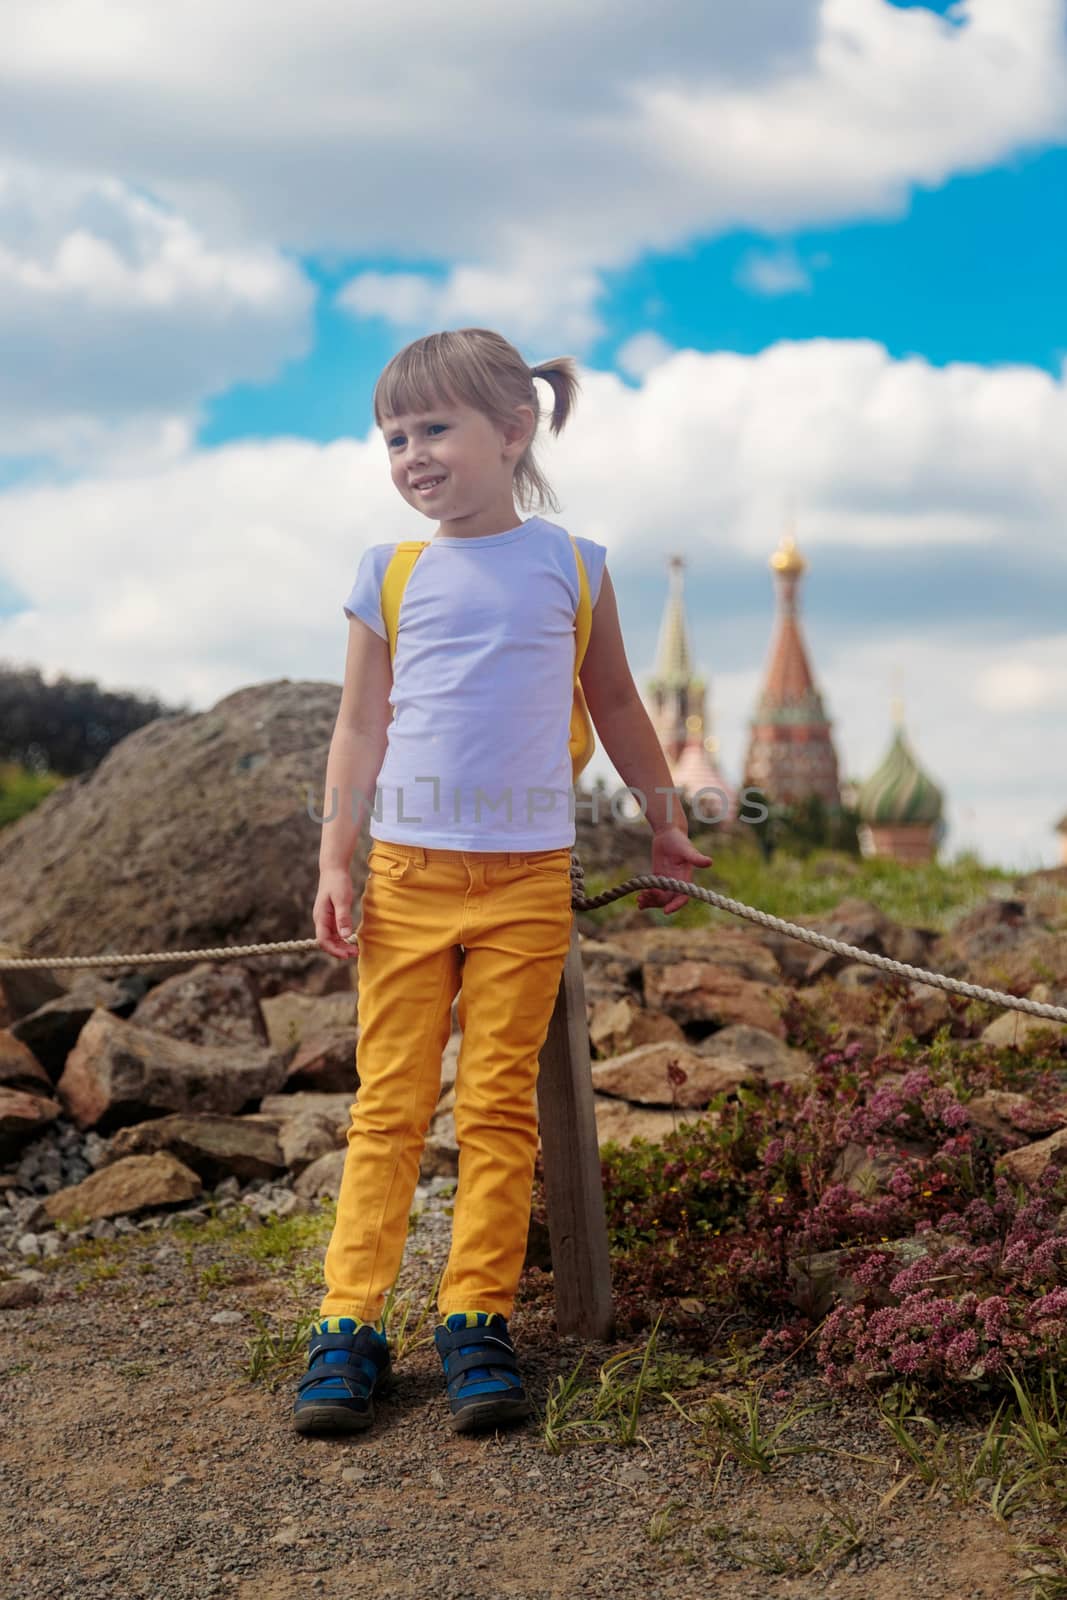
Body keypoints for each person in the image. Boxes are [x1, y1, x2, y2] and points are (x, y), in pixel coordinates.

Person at [294, 327, 711, 1439]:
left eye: (435, 428)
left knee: (494, 1107)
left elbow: (619, 706)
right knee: (387, 1105)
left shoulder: (573, 566)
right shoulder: (389, 573)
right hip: (407, 875)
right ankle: (347, 1325)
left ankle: (474, 1316)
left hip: (528, 880)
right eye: (393, 435)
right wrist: (336, 855)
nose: (411, 453)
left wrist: (665, 829)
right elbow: (359, 724)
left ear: (512, 431)